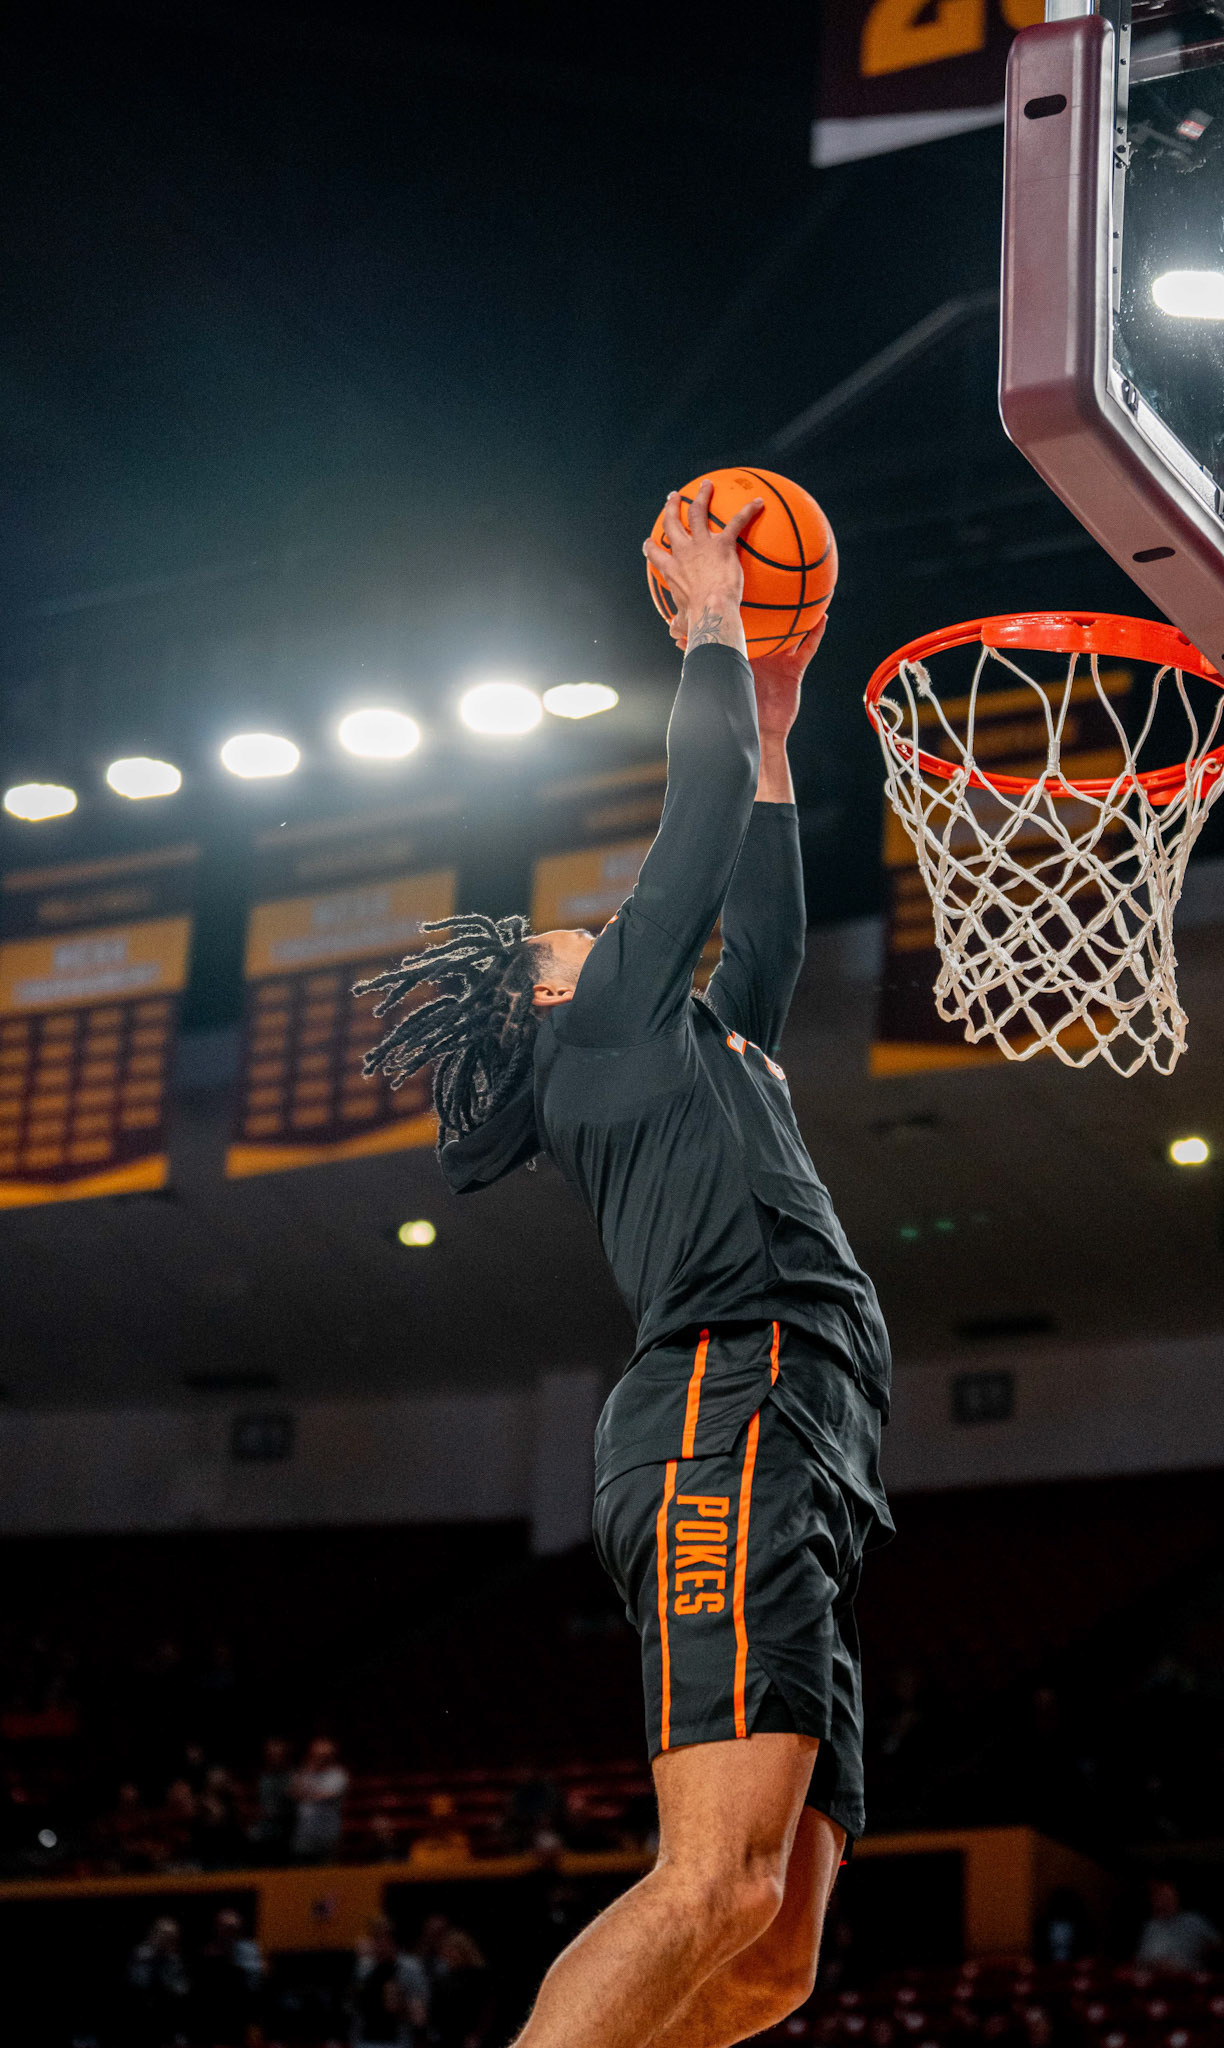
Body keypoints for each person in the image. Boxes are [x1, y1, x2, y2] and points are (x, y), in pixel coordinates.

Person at [356, 481, 893, 2048]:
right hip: (727, 1401)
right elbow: (696, 817)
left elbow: (770, 938)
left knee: (770, 1950)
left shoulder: (689, 1049)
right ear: (536, 1006)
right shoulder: (596, 1036)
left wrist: (782, 720)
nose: (592, 928)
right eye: (560, 936)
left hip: (801, 1437)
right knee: (708, 1883)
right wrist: (720, 623)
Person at [192, 1906, 265, 2047]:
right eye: (225, 1928)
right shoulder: (207, 1952)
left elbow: (257, 1979)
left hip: (242, 2003)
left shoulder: (249, 1949)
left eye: (233, 1928)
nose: (229, 1933)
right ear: (217, 1928)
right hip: (213, 2007)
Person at [351, 1915, 429, 2048]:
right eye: (374, 1938)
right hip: (364, 2039)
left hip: (397, 2040)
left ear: (392, 1941)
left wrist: (401, 2005)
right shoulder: (365, 1968)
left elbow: (420, 2016)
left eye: (382, 1938)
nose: (377, 1943)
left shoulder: (410, 1968)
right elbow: (355, 2004)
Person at [126, 1914, 191, 2048]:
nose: (167, 1940)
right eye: (164, 1935)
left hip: (170, 2013)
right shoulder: (141, 1955)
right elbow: (137, 1984)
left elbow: (182, 1989)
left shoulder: (175, 1959)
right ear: (154, 1934)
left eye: (172, 1937)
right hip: (143, 2013)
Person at [1135, 1879, 1222, 1975]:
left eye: (1168, 1897)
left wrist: (1207, 1952)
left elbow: (1218, 1947)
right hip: (1159, 1980)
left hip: (1190, 1978)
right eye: (1160, 1897)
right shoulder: (1151, 1927)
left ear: (1176, 1898)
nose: (1165, 1901)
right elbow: (1142, 1959)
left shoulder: (1194, 1921)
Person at [428, 1927, 495, 2048]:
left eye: (451, 1950)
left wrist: (477, 2035)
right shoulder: (444, 1979)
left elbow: (487, 2009)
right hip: (447, 2037)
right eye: (445, 1950)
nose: (446, 1955)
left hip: (472, 2038)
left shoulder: (479, 1978)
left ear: (462, 1951)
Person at [289, 1736, 348, 1862]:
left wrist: (307, 1794)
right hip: (305, 1832)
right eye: (317, 1755)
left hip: (327, 1833)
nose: (320, 1758)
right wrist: (307, 1771)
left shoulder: (338, 1774)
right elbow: (293, 1793)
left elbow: (328, 1795)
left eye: (324, 1756)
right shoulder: (304, 1773)